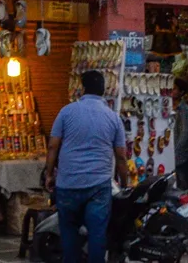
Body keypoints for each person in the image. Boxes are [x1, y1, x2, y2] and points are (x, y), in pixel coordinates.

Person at [45, 70, 129, 263]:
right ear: (103, 90)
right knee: (97, 233)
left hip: (68, 184)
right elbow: (121, 157)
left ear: (82, 89)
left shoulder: (66, 112)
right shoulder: (113, 117)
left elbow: (52, 146)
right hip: (98, 186)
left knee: (69, 233)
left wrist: (49, 174)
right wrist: (124, 184)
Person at [173, 79, 188, 189]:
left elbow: (184, 135)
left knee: (182, 186)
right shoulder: (170, 107)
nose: (172, 90)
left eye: (175, 89)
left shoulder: (185, 110)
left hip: (180, 157)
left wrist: (174, 152)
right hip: (173, 155)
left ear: (181, 92)